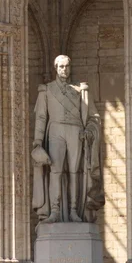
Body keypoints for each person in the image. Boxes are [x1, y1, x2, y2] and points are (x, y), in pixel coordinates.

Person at [32, 55, 104, 224]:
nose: (64, 69)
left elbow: (92, 116)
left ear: (70, 68)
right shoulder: (47, 90)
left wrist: (89, 130)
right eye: (61, 67)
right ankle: (55, 211)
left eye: (67, 66)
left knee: (74, 172)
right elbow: (41, 117)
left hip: (75, 130)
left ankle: (73, 211)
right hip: (56, 130)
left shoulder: (80, 90)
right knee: (55, 171)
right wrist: (37, 142)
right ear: (55, 68)